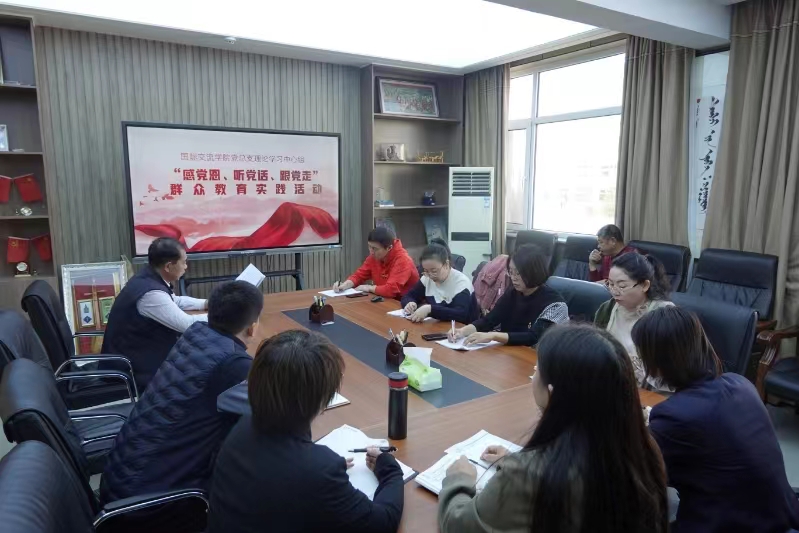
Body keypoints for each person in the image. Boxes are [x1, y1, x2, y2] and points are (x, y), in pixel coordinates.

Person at [438, 324, 668, 532]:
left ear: (553, 394)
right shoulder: (643, 449)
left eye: (537, 369)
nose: (533, 376)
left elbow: (460, 525)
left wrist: (459, 480)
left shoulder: (529, 475)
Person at [100, 281, 263, 530]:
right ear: (252, 328)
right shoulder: (231, 365)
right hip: (149, 507)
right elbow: (277, 413)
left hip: (120, 480)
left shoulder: (195, 334)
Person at [208, 330, 404, 533]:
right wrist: (390, 470)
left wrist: (321, 470)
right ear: (321, 399)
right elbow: (383, 523)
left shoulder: (243, 426)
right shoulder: (317, 471)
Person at [632, 306, 799, 533]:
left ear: (659, 360)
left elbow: (641, 473)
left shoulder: (674, 416)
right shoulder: (740, 384)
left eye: (643, 356)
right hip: (782, 516)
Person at [102, 237, 207, 391]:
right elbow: (187, 325)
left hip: (138, 356)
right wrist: (224, 313)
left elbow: (174, 300)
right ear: (168, 266)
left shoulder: (147, 278)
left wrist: (207, 303)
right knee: (201, 372)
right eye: (184, 262)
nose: (186, 266)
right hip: (136, 370)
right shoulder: (150, 295)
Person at [449, 244, 568, 347]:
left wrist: (493, 336)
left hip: (536, 357)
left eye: (518, 273)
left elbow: (534, 337)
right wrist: (462, 331)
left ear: (534, 272)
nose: (513, 278)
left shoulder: (555, 304)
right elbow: (489, 321)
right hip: (509, 353)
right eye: (511, 272)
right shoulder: (512, 292)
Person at [594, 252, 673, 392]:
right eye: (610, 284)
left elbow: (672, 373)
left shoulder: (664, 315)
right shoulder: (607, 309)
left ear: (644, 285)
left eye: (622, 286)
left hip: (651, 392)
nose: (614, 291)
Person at [400, 238, 479, 324]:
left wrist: (430, 309)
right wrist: (410, 303)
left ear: (446, 264)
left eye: (434, 271)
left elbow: (460, 314)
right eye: (426, 271)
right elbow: (409, 296)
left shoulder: (461, 283)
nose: (430, 275)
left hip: (462, 328)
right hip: (438, 325)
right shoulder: (427, 278)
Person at [332, 226, 419, 299]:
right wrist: (345, 285)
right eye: (369, 247)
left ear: (389, 248)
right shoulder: (374, 256)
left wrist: (369, 288)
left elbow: (391, 290)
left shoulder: (403, 260)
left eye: (375, 248)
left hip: (405, 304)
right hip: (384, 300)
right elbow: (359, 276)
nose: (371, 252)